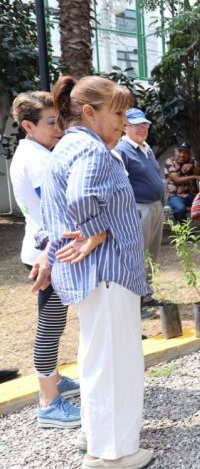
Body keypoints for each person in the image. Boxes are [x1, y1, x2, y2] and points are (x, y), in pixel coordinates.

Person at [39, 75, 152, 467]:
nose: (123, 121)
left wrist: (92, 231)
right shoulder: (92, 151)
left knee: (97, 359)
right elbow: (83, 197)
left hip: (93, 276)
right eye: (117, 112)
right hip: (108, 274)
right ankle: (111, 453)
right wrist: (97, 231)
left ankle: (96, 434)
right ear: (90, 112)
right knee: (115, 363)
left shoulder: (70, 145)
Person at [10, 91, 82, 428]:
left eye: (60, 121)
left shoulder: (34, 152)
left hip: (43, 252)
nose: (59, 128)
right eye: (51, 123)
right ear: (28, 125)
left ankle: (54, 379)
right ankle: (48, 401)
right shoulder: (38, 161)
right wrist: (51, 259)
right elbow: (56, 214)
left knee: (53, 323)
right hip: (46, 257)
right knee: (50, 328)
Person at [115, 108, 163, 319]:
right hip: (138, 209)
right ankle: (136, 303)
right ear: (125, 127)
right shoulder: (122, 151)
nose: (142, 128)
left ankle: (147, 294)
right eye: (137, 125)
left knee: (151, 254)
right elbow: (120, 184)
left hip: (155, 207)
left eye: (145, 125)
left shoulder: (146, 148)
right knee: (138, 256)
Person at [164, 141, 200, 222]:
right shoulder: (170, 162)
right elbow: (177, 180)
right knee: (180, 209)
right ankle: (183, 232)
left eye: (186, 152)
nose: (182, 155)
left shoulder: (192, 161)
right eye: (180, 151)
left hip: (192, 195)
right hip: (175, 196)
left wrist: (192, 167)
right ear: (175, 151)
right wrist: (194, 176)